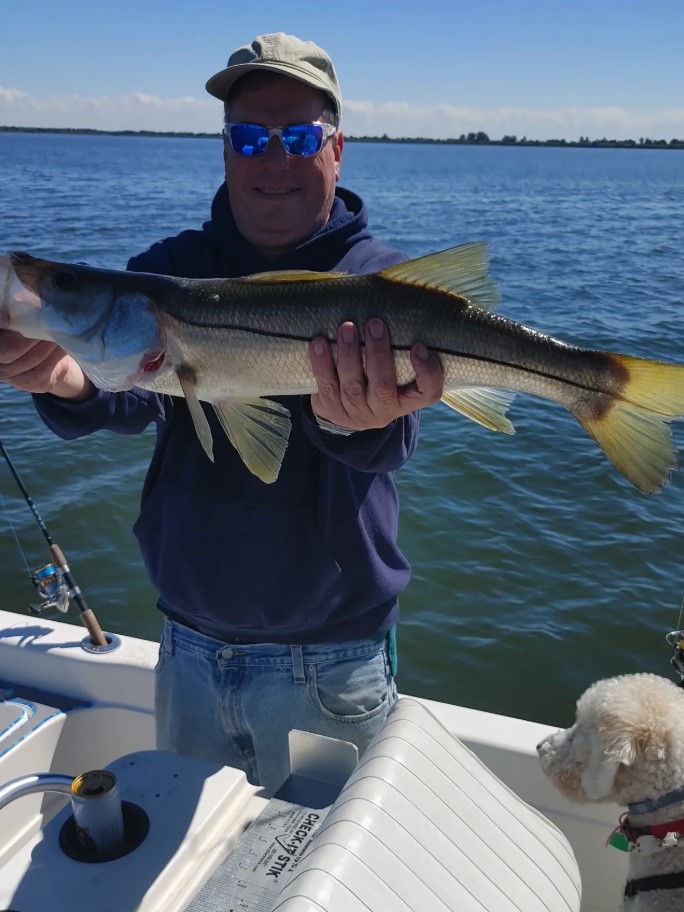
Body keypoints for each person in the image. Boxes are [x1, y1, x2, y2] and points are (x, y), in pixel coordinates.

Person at [0, 33, 444, 793]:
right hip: (187, 651)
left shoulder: (378, 283)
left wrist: (353, 418)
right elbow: (129, 390)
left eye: (299, 137)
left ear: (338, 149)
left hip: (330, 662)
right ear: (225, 149)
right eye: (248, 137)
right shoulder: (170, 272)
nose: (272, 159)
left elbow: (390, 439)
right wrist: (66, 378)